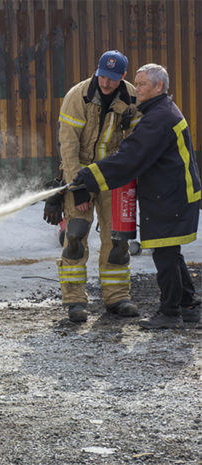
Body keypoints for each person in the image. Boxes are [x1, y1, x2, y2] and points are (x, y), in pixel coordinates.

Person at [70, 63, 200, 329]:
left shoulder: (159, 118)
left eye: (141, 85)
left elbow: (130, 157)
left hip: (171, 196)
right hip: (171, 194)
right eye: (137, 83)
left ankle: (170, 313)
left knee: (164, 255)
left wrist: (88, 177)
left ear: (158, 87)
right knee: (170, 252)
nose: (136, 89)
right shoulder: (158, 111)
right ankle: (187, 306)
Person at [54, 50, 140, 323]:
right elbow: (68, 146)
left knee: (118, 239)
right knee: (76, 236)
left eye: (112, 79)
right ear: (97, 71)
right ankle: (75, 300)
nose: (106, 84)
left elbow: (137, 142)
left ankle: (117, 297)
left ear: (123, 77)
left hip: (114, 176)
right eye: (103, 76)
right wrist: (76, 186)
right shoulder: (77, 97)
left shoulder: (131, 97)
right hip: (81, 174)